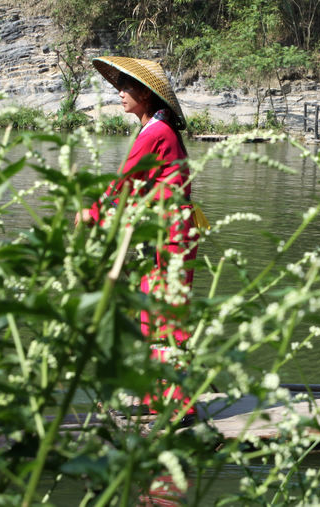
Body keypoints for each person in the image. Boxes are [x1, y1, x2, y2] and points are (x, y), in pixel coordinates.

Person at [78, 56, 198, 412]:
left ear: (146, 94)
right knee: (154, 315)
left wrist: (93, 213)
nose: (120, 93)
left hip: (170, 235)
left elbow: (124, 182)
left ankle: (178, 405)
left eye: (126, 87)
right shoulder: (154, 129)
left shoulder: (157, 132)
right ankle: (158, 398)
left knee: (167, 316)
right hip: (162, 232)